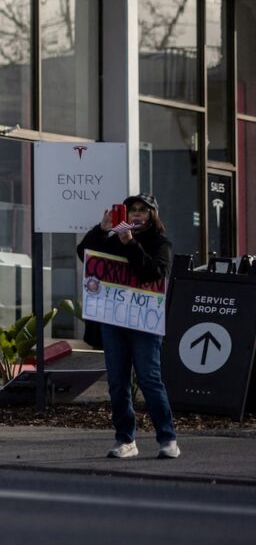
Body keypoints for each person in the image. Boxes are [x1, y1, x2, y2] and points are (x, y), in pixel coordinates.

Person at [76, 194, 179, 460]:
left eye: (143, 210)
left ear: (153, 215)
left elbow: (154, 272)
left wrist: (130, 243)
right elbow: (86, 254)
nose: (137, 214)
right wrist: (102, 229)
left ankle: (167, 438)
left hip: (144, 323)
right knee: (117, 383)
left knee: (149, 380)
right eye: (132, 210)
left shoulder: (160, 243)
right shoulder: (113, 240)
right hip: (114, 322)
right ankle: (125, 439)